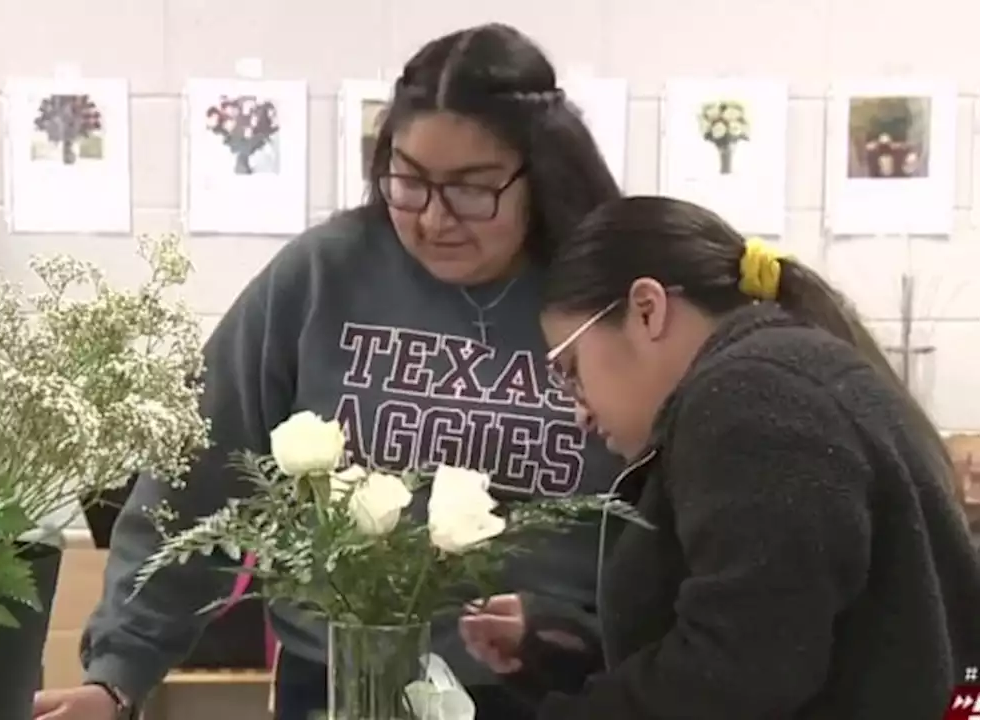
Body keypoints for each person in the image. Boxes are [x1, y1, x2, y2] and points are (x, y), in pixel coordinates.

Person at [33, 22, 624, 720]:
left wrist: (574, 634)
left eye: (472, 189)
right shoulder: (321, 278)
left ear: (541, 171)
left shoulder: (607, 291)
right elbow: (192, 481)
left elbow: (676, 518)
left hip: (558, 691)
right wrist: (116, 675)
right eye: (408, 180)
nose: (434, 219)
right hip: (341, 687)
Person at [460, 196, 981, 718]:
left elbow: (740, 671)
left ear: (647, 309)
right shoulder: (784, 373)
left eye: (571, 369)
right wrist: (562, 644)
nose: (579, 411)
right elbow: (769, 630)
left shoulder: (752, 398)